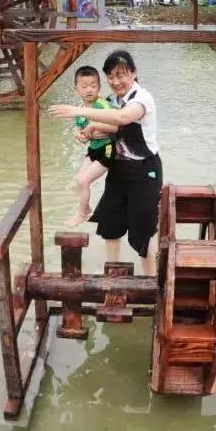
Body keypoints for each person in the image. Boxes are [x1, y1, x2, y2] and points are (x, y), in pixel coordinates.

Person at [48, 50, 161, 275]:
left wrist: (76, 110)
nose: (115, 81)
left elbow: (122, 119)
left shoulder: (142, 98)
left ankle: (151, 284)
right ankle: (113, 276)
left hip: (144, 170)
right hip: (119, 167)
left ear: (134, 73)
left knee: (143, 232)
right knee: (110, 223)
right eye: (110, 76)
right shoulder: (110, 101)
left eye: (121, 75)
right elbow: (107, 130)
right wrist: (87, 133)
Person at [64, 66, 117, 227]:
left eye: (93, 86)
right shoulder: (79, 111)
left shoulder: (102, 105)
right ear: (76, 89)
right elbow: (83, 138)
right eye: (84, 86)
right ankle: (86, 208)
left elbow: (116, 121)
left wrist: (94, 126)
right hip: (93, 150)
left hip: (108, 149)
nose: (89, 90)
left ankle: (81, 214)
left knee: (84, 180)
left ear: (99, 88)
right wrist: (79, 134)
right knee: (78, 180)